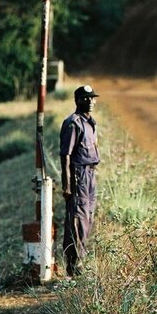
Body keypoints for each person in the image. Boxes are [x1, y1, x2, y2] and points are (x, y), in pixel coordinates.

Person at [60, 84, 100, 277]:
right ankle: (73, 265)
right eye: (85, 98)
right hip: (78, 175)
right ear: (77, 101)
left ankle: (79, 260)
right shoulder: (73, 123)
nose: (90, 101)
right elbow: (65, 155)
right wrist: (67, 184)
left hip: (90, 175)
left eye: (92, 98)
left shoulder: (90, 123)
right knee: (78, 219)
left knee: (88, 218)